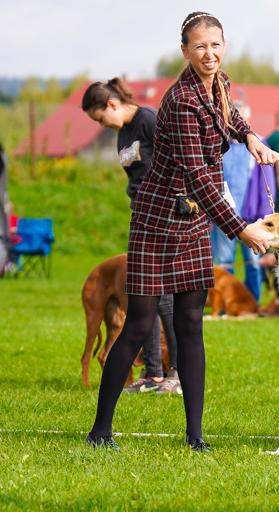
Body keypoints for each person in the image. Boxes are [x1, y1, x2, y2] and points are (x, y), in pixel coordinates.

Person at [86, 11, 278, 453]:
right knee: (137, 326)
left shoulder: (221, 84)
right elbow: (197, 175)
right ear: (185, 51)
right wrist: (240, 230)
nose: (209, 55)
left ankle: (195, 437)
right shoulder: (179, 101)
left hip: (192, 220)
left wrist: (250, 137)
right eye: (199, 47)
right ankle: (100, 431)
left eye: (215, 45)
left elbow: (228, 120)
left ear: (223, 45)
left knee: (192, 325)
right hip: (155, 222)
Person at [81, 77, 180, 396]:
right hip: (140, 215)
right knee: (142, 297)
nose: (101, 124)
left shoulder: (148, 120)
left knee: (164, 299)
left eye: (99, 117)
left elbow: (176, 163)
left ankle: (175, 374)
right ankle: (152, 374)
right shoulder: (122, 132)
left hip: (163, 214)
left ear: (111, 104)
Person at [210, 100, 276, 301]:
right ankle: (225, 302)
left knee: (253, 262)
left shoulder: (259, 143)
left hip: (251, 215)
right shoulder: (219, 144)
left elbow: (267, 181)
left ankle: (252, 300)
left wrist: (265, 214)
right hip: (224, 214)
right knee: (225, 261)